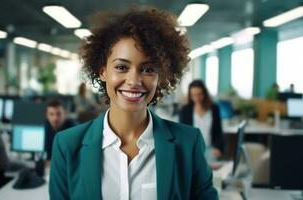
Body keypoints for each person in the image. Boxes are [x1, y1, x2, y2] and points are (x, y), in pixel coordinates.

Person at [50, 7, 218, 200]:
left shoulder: (188, 143)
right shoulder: (67, 145)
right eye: (122, 67)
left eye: (148, 69)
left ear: (160, 77)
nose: (134, 80)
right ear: (103, 71)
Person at [179, 80, 224, 159]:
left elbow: (218, 132)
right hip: (192, 152)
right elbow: (182, 134)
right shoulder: (185, 110)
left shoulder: (214, 109)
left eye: (199, 94)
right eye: (193, 95)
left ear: (205, 94)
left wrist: (218, 148)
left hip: (210, 151)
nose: (196, 98)